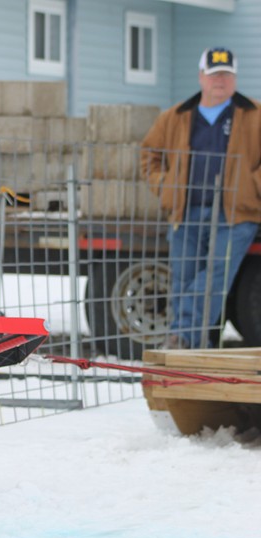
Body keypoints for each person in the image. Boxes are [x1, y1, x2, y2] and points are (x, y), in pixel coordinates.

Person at [140, 46, 261, 349]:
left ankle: (182, 338)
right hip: (186, 209)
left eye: (226, 75)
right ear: (201, 77)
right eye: (214, 74)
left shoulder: (255, 115)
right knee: (184, 277)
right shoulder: (176, 116)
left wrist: (254, 185)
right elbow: (149, 155)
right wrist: (164, 185)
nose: (220, 80)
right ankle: (195, 345)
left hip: (236, 212)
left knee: (215, 276)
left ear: (234, 79)